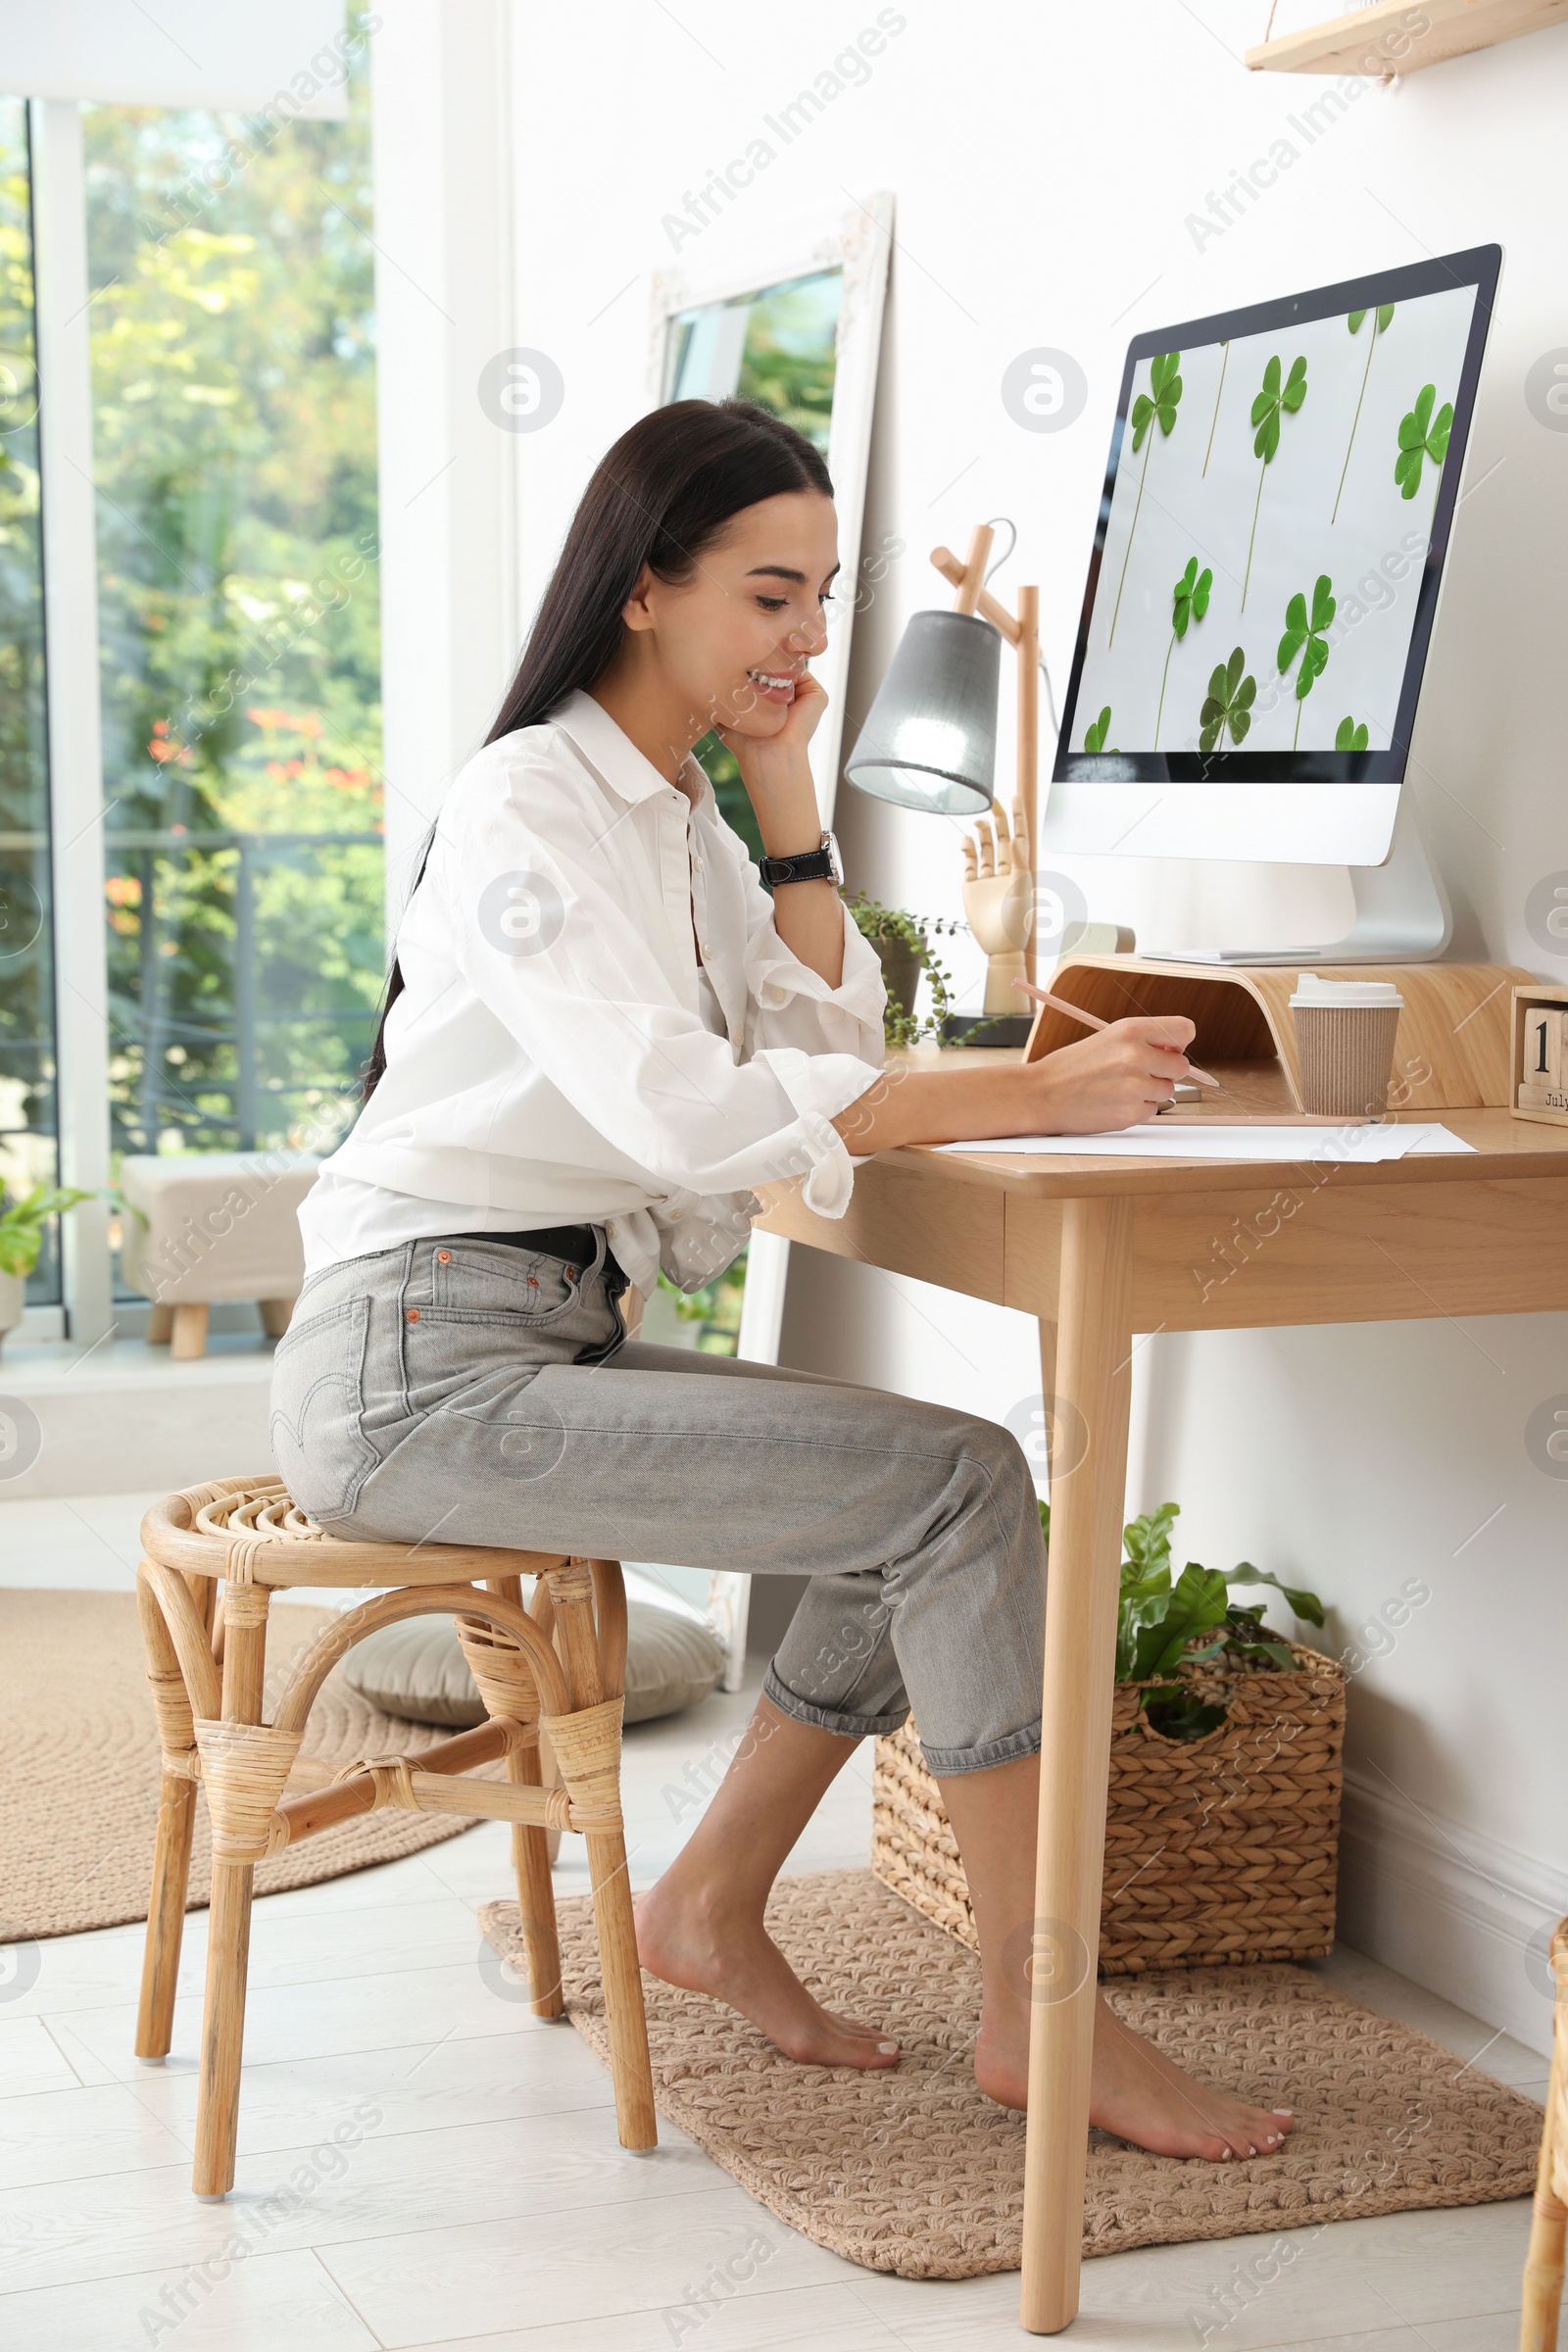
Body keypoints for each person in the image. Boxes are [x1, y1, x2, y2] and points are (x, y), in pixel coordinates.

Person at [274, 398, 1294, 2160]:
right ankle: (1046, 2020)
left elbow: (827, 1033)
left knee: (932, 1492)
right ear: (645, 588)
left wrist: (782, 795)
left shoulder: (674, 818)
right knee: (958, 1487)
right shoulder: (532, 803)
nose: (808, 638)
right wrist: (1036, 1088)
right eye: (768, 594)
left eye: (821, 597)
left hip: (536, 1331)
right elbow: (688, 1114)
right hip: (417, 1365)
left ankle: (711, 1906)